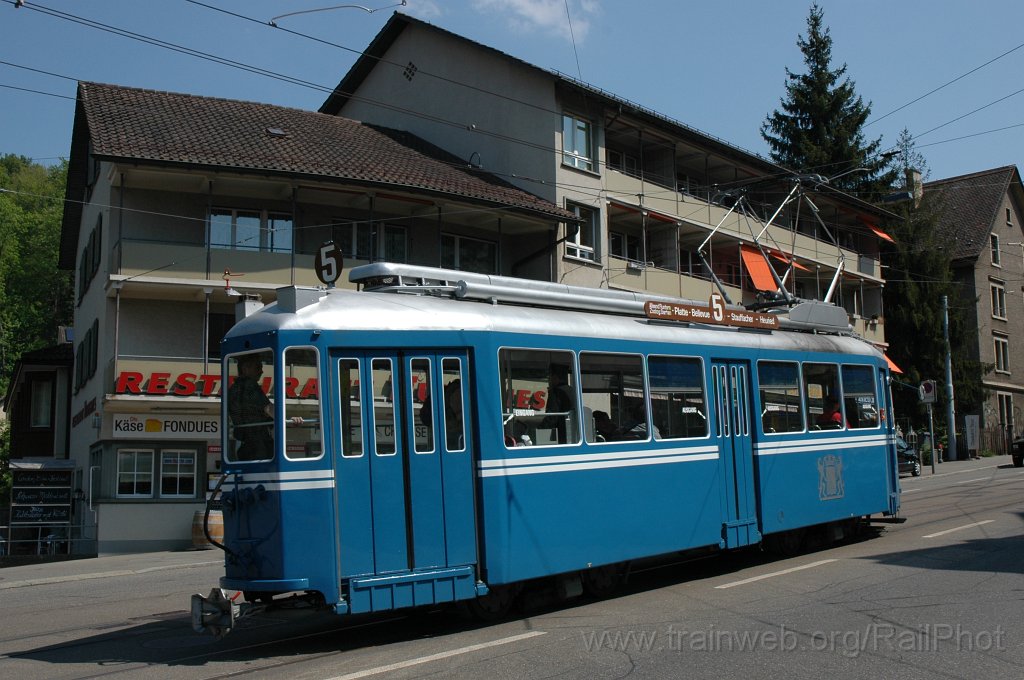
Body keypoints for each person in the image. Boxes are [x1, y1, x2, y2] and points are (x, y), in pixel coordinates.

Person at [228, 354, 273, 460]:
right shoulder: (250, 385)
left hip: (243, 441)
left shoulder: (234, 388)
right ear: (245, 369)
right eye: (258, 367)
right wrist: (287, 419)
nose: (261, 371)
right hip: (258, 443)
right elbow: (268, 408)